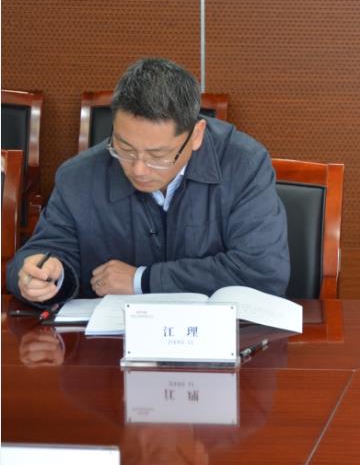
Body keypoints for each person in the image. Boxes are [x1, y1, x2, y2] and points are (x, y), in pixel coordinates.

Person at [6, 57, 290, 304]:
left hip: (218, 341)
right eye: (124, 148)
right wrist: (44, 276)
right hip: (109, 343)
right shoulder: (78, 177)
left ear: (197, 135)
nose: (138, 169)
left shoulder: (243, 165)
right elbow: (45, 252)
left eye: (158, 155)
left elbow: (263, 271)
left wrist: (142, 281)